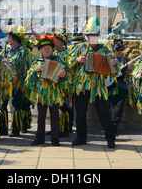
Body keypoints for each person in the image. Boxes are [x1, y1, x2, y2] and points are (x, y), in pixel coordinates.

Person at [67, 17, 118, 148]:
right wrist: (77, 59)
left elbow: (113, 71)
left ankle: (110, 138)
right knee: (80, 113)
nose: (92, 37)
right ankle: (81, 138)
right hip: (81, 85)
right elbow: (68, 62)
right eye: (90, 35)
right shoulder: (80, 48)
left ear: (98, 36)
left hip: (98, 86)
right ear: (86, 36)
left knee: (103, 113)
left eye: (94, 35)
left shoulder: (105, 50)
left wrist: (114, 64)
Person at [25, 35, 68, 146]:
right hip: (41, 94)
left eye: (49, 47)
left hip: (54, 92)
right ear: (40, 50)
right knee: (41, 117)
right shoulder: (36, 62)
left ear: (52, 49)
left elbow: (68, 76)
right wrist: (35, 70)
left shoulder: (59, 60)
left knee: (55, 116)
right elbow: (28, 80)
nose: (47, 49)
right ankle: (40, 138)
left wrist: (64, 75)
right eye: (44, 48)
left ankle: (55, 139)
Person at [1, 25, 34, 137]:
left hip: (19, 84)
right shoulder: (8, 50)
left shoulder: (24, 51)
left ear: (15, 38)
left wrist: (25, 84)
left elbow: (29, 69)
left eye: (9, 37)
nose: (7, 40)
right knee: (4, 105)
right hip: (7, 84)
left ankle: (16, 129)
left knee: (17, 105)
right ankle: (3, 128)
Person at [108, 39, 133, 136]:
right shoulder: (110, 59)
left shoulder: (127, 60)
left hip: (123, 87)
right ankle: (111, 128)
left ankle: (113, 128)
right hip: (111, 86)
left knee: (118, 108)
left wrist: (129, 69)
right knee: (111, 106)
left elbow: (131, 74)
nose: (119, 51)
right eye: (117, 49)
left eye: (121, 49)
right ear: (113, 50)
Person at [53, 31, 73, 137]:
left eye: (56, 41)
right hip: (56, 85)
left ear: (62, 42)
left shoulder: (67, 54)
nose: (54, 43)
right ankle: (57, 127)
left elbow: (70, 69)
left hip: (65, 84)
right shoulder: (54, 54)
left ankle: (65, 128)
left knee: (65, 106)